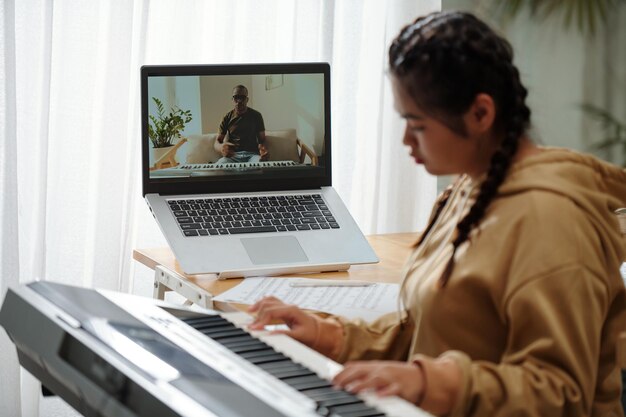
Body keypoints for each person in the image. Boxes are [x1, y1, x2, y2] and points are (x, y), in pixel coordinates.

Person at [248, 11, 626, 417]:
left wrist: (430, 383)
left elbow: (559, 394)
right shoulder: (466, 190)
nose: (406, 140)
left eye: (418, 124)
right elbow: (428, 330)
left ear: (481, 114)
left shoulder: (552, 221)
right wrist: (328, 335)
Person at [214, 85, 269, 163]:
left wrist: (263, 150)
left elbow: (262, 140)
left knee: (261, 166)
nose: (239, 101)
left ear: (247, 99)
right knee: (219, 166)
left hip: (252, 155)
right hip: (232, 156)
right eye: (236, 97)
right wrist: (221, 148)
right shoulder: (227, 117)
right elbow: (217, 142)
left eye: (242, 97)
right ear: (232, 99)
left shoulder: (257, 115)